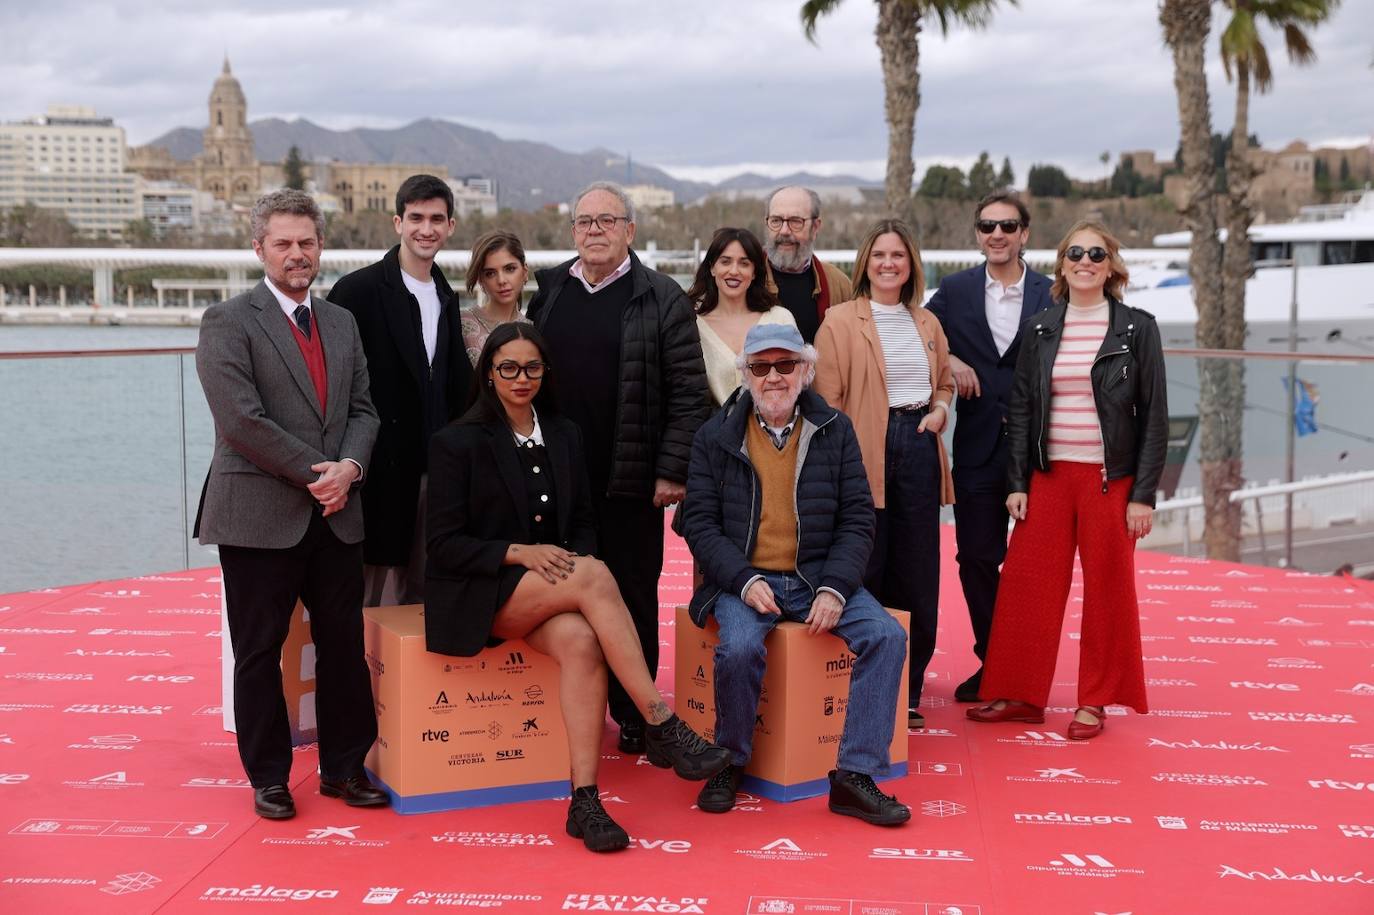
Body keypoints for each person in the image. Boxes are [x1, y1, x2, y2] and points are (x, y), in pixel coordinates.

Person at [425, 322, 729, 852]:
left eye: (532, 367)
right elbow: (444, 545)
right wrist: (521, 554)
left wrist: (567, 569)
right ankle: (659, 720)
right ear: (489, 374)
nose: (522, 378)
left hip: (551, 593)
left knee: (583, 641)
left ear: (546, 371)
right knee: (592, 572)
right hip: (483, 594)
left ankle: (584, 800)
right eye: (508, 368)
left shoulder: (565, 434)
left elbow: (584, 521)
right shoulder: (457, 441)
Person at [195, 189, 386, 818]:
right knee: (259, 651)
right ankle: (269, 776)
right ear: (260, 249)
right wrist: (321, 475)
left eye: (306, 241)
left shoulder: (341, 322)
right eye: (283, 243)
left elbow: (363, 409)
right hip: (257, 518)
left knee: (343, 648)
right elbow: (242, 422)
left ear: (320, 246)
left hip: (336, 516)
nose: (296, 254)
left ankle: (344, 769)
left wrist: (351, 469)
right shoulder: (228, 320)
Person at [683, 323, 910, 825]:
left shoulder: (836, 429)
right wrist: (743, 580)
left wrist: (834, 587)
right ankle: (730, 761)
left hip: (816, 577)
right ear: (745, 376)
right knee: (739, 647)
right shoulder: (714, 435)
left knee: (887, 637)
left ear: (805, 371)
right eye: (761, 367)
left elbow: (857, 516)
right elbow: (698, 523)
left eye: (785, 365)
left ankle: (854, 776)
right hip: (743, 579)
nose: (774, 377)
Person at [527, 181, 709, 755]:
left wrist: (671, 469)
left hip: (630, 478)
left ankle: (637, 715)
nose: (595, 231)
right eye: (584, 222)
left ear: (630, 230)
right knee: (561, 593)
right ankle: (570, 709)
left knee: (632, 593)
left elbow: (688, 392)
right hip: (557, 480)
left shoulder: (661, 295)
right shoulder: (551, 289)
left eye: (607, 221)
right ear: (572, 230)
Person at [967, 220, 1167, 740]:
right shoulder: (1040, 328)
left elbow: (1155, 419)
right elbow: (1022, 410)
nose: (1085, 261)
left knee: (1107, 590)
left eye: (1096, 254)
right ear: (1060, 263)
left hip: (1109, 481)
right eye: (1075, 252)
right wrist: (1017, 482)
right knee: (1027, 584)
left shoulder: (1137, 328)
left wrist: (1143, 494)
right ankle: (1019, 693)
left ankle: (1096, 700)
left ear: (1111, 266)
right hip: (1047, 476)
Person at [814, 219, 954, 731]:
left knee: (917, 574)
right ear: (865, 262)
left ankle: (908, 690)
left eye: (898, 255)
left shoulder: (927, 323)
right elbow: (824, 402)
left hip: (917, 442)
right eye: (879, 255)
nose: (889, 263)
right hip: (861, 448)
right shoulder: (839, 320)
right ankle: (852, 682)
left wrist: (940, 410)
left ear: (911, 263)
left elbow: (943, 384)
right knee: (864, 566)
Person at [926, 190, 1053, 702]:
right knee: (976, 559)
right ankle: (994, 660)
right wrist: (950, 360)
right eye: (986, 227)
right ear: (977, 234)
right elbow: (919, 331)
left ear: (1025, 233)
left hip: (1043, 452)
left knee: (1034, 568)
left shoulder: (1055, 291)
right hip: (977, 448)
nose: (996, 235)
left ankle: (1025, 669)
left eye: (1006, 226)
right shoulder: (954, 291)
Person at [328, 174, 472, 607]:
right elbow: (333, 383)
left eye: (436, 219)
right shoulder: (357, 291)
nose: (425, 228)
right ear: (397, 222)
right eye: (416, 218)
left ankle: (410, 679)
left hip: (434, 471)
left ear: (450, 226)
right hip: (375, 473)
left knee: (423, 596)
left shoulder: (445, 294)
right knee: (365, 599)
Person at [685, 226, 796, 407]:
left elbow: (798, 384)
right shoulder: (693, 326)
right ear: (712, 268)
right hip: (715, 433)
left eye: (744, 263)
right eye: (726, 262)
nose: (734, 271)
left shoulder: (780, 319)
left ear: (754, 272)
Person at [762, 185, 853, 343]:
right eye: (776, 221)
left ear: (815, 227)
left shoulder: (839, 286)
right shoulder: (747, 279)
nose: (784, 231)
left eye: (795, 221)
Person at [460, 229, 533, 367]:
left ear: (524, 272)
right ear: (480, 280)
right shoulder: (461, 325)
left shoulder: (533, 330)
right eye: (490, 273)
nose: (501, 280)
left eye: (510, 269)